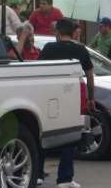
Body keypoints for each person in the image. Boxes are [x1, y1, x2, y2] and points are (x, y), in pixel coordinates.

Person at [39, 19, 94, 188]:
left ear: (57, 32)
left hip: (48, 96)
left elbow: (39, 70)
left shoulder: (48, 48)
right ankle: (65, 179)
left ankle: (36, 175)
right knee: (69, 136)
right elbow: (90, 75)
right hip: (72, 96)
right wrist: (91, 98)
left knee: (42, 134)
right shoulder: (80, 49)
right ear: (73, 32)